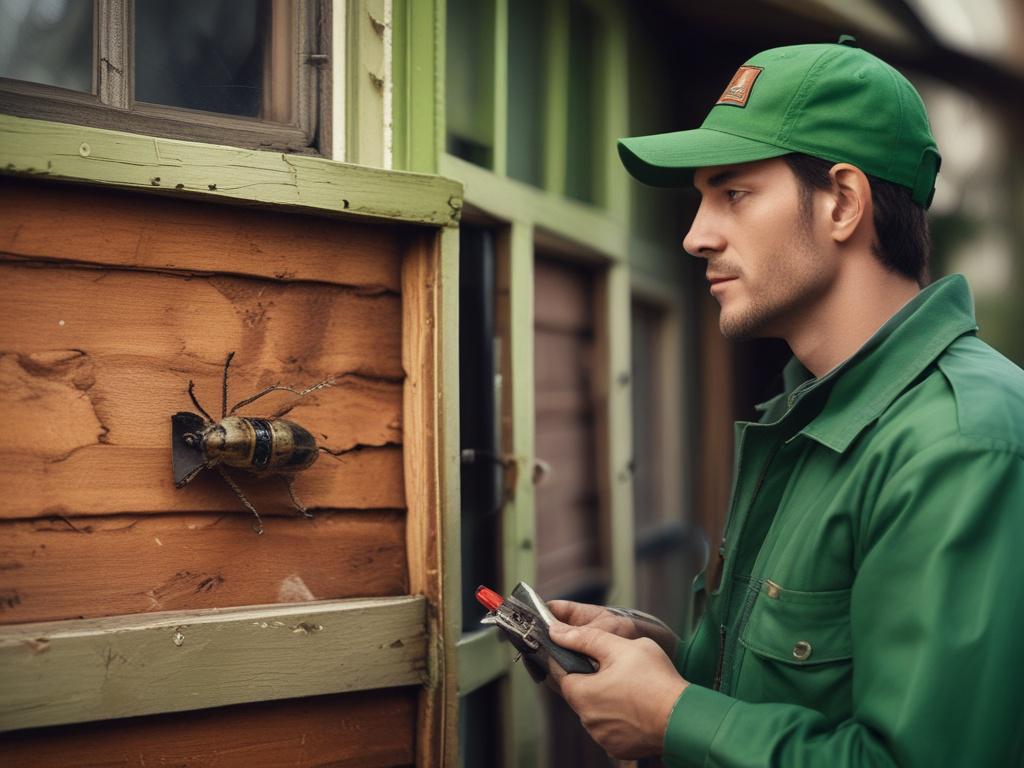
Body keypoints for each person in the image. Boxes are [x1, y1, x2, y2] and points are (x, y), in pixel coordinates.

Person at [544, 37, 1024, 767]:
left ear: (842, 203)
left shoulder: (962, 442)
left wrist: (674, 718)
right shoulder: (808, 411)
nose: (695, 235)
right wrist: (671, 666)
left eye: (733, 194)